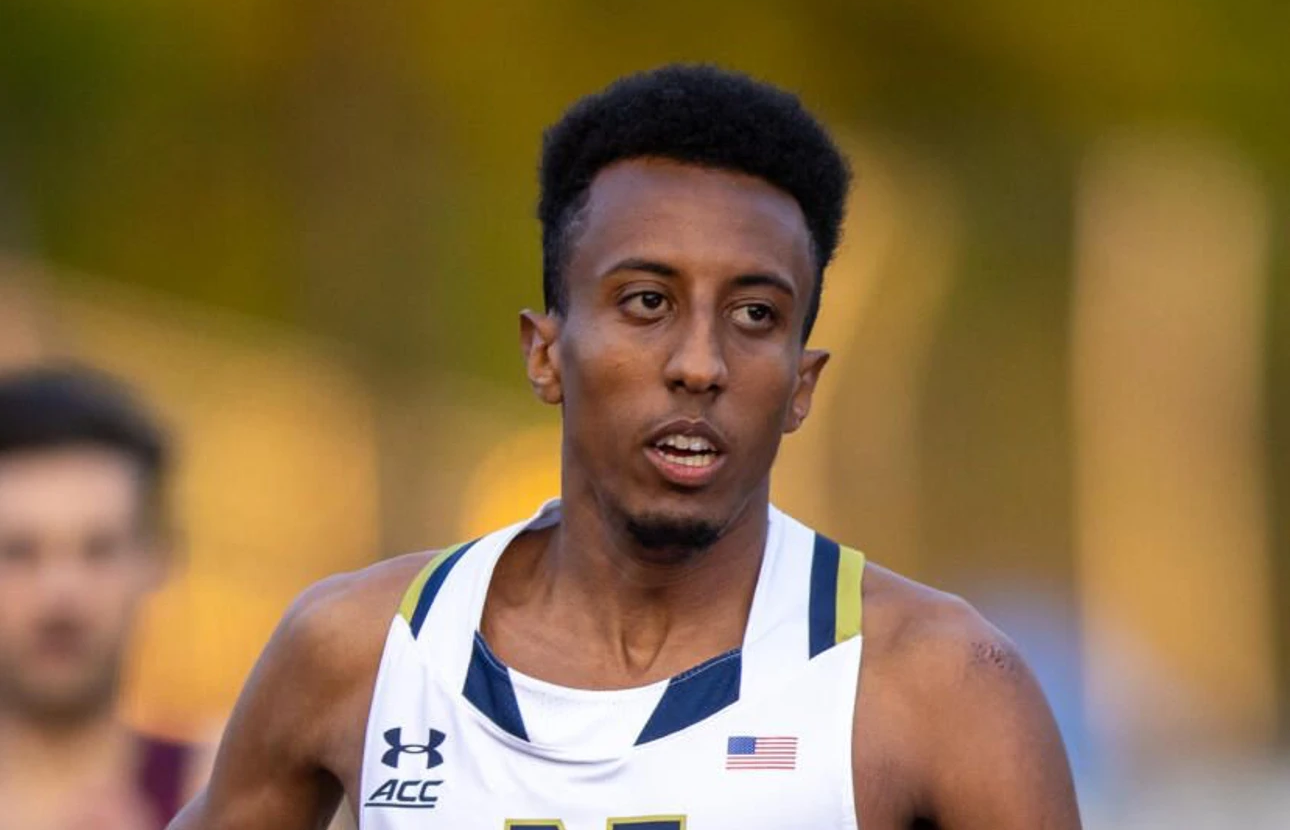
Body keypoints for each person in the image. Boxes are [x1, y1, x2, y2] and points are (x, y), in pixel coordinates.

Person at [172, 65, 1081, 829]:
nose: (699, 364)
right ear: (544, 352)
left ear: (801, 384)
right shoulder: (362, 652)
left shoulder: (942, 686)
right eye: (647, 302)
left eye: (754, 315)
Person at [0, 365, 204, 829]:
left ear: (159, 558)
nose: (60, 594)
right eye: (18, 551)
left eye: (98, 550)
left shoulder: (235, 793)